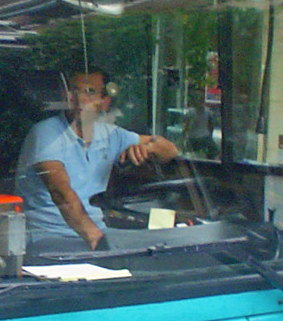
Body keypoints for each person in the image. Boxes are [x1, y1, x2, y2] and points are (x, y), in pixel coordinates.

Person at [16, 70, 178, 253]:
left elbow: (170, 151)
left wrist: (147, 149)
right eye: (73, 90)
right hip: (48, 237)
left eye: (89, 91)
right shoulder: (46, 133)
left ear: (105, 102)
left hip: (95, 235)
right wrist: (97, 241)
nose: (77, 98)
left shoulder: (110, 134)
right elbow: (60, 192)